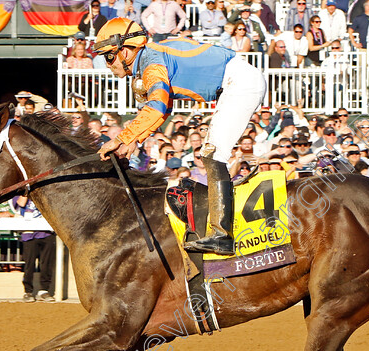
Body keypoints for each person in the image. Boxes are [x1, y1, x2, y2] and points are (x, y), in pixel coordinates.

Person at [94, 17, 266, 256]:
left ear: (126, 51)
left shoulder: (152, 64)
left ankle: (222, 236)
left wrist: (123, 137)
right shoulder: (151, 57)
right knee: (211, 153)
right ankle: (220, 230)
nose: (107, 63)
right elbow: (164, 108)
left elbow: (157, 106)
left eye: (109, 56)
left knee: (213, 154)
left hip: (239, 83)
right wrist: (135, 139)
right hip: (237, 81)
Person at [13, 195, 55, 302]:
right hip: (29, 233)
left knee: (46, 264)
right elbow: (21, 204)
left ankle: (44, 290)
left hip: (46, 232)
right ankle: (28, 291)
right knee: (29, 264)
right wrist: (27, 192)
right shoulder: (20, 194)